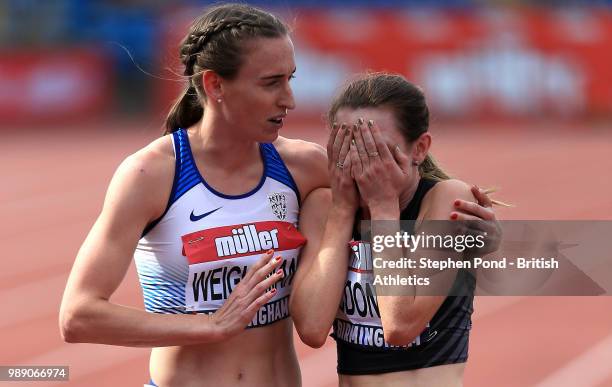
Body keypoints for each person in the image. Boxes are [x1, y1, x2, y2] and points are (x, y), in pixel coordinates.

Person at [59, 4, 497, 386]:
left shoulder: (304, 168)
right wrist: (207, 327)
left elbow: (406, 205)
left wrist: (480, 238)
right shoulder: (151, 174)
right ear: (215, 85)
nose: (289, 99)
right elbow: (78, 315)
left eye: (291, 79)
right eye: (271, 83)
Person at [290, 73, 499, 387]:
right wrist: (342, 211)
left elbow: (400, 325)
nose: (363, 163)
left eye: (379, 150)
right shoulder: (324, 207)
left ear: (419, 148)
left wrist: (383, 206)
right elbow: (312, 328)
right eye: (350, 146)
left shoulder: (445, 199)